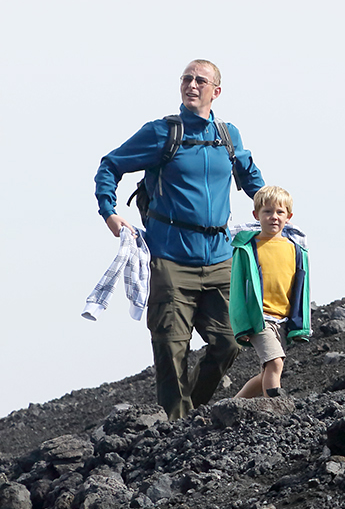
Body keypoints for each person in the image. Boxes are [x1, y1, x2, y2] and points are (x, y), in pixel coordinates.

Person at [94, 59, 265, 419]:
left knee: (229, 342)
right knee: (171, 346)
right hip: (171, 258)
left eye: (200, 80)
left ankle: (194, 411)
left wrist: (271, 208)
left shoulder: (227, 135)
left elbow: (251, 177)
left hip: (219, 258)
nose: (192, 84)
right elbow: (110, 164)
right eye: (186, 78)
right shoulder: (162, 133)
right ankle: (175, 424)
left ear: (216, 91)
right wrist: (109, 211)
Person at [230, 185, 310, 398]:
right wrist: (242, 323)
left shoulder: (295, 249)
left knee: (267, 370)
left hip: (282, 320)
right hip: (259, 319)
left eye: (279, 212)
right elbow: (238, 289)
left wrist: (301, 324)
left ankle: (233, 405)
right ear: (256, 215)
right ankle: (274, 410)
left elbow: (301, 288)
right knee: (275, 363)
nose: (273, 217)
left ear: (289, 216)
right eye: (267, 212)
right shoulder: (247, 249)